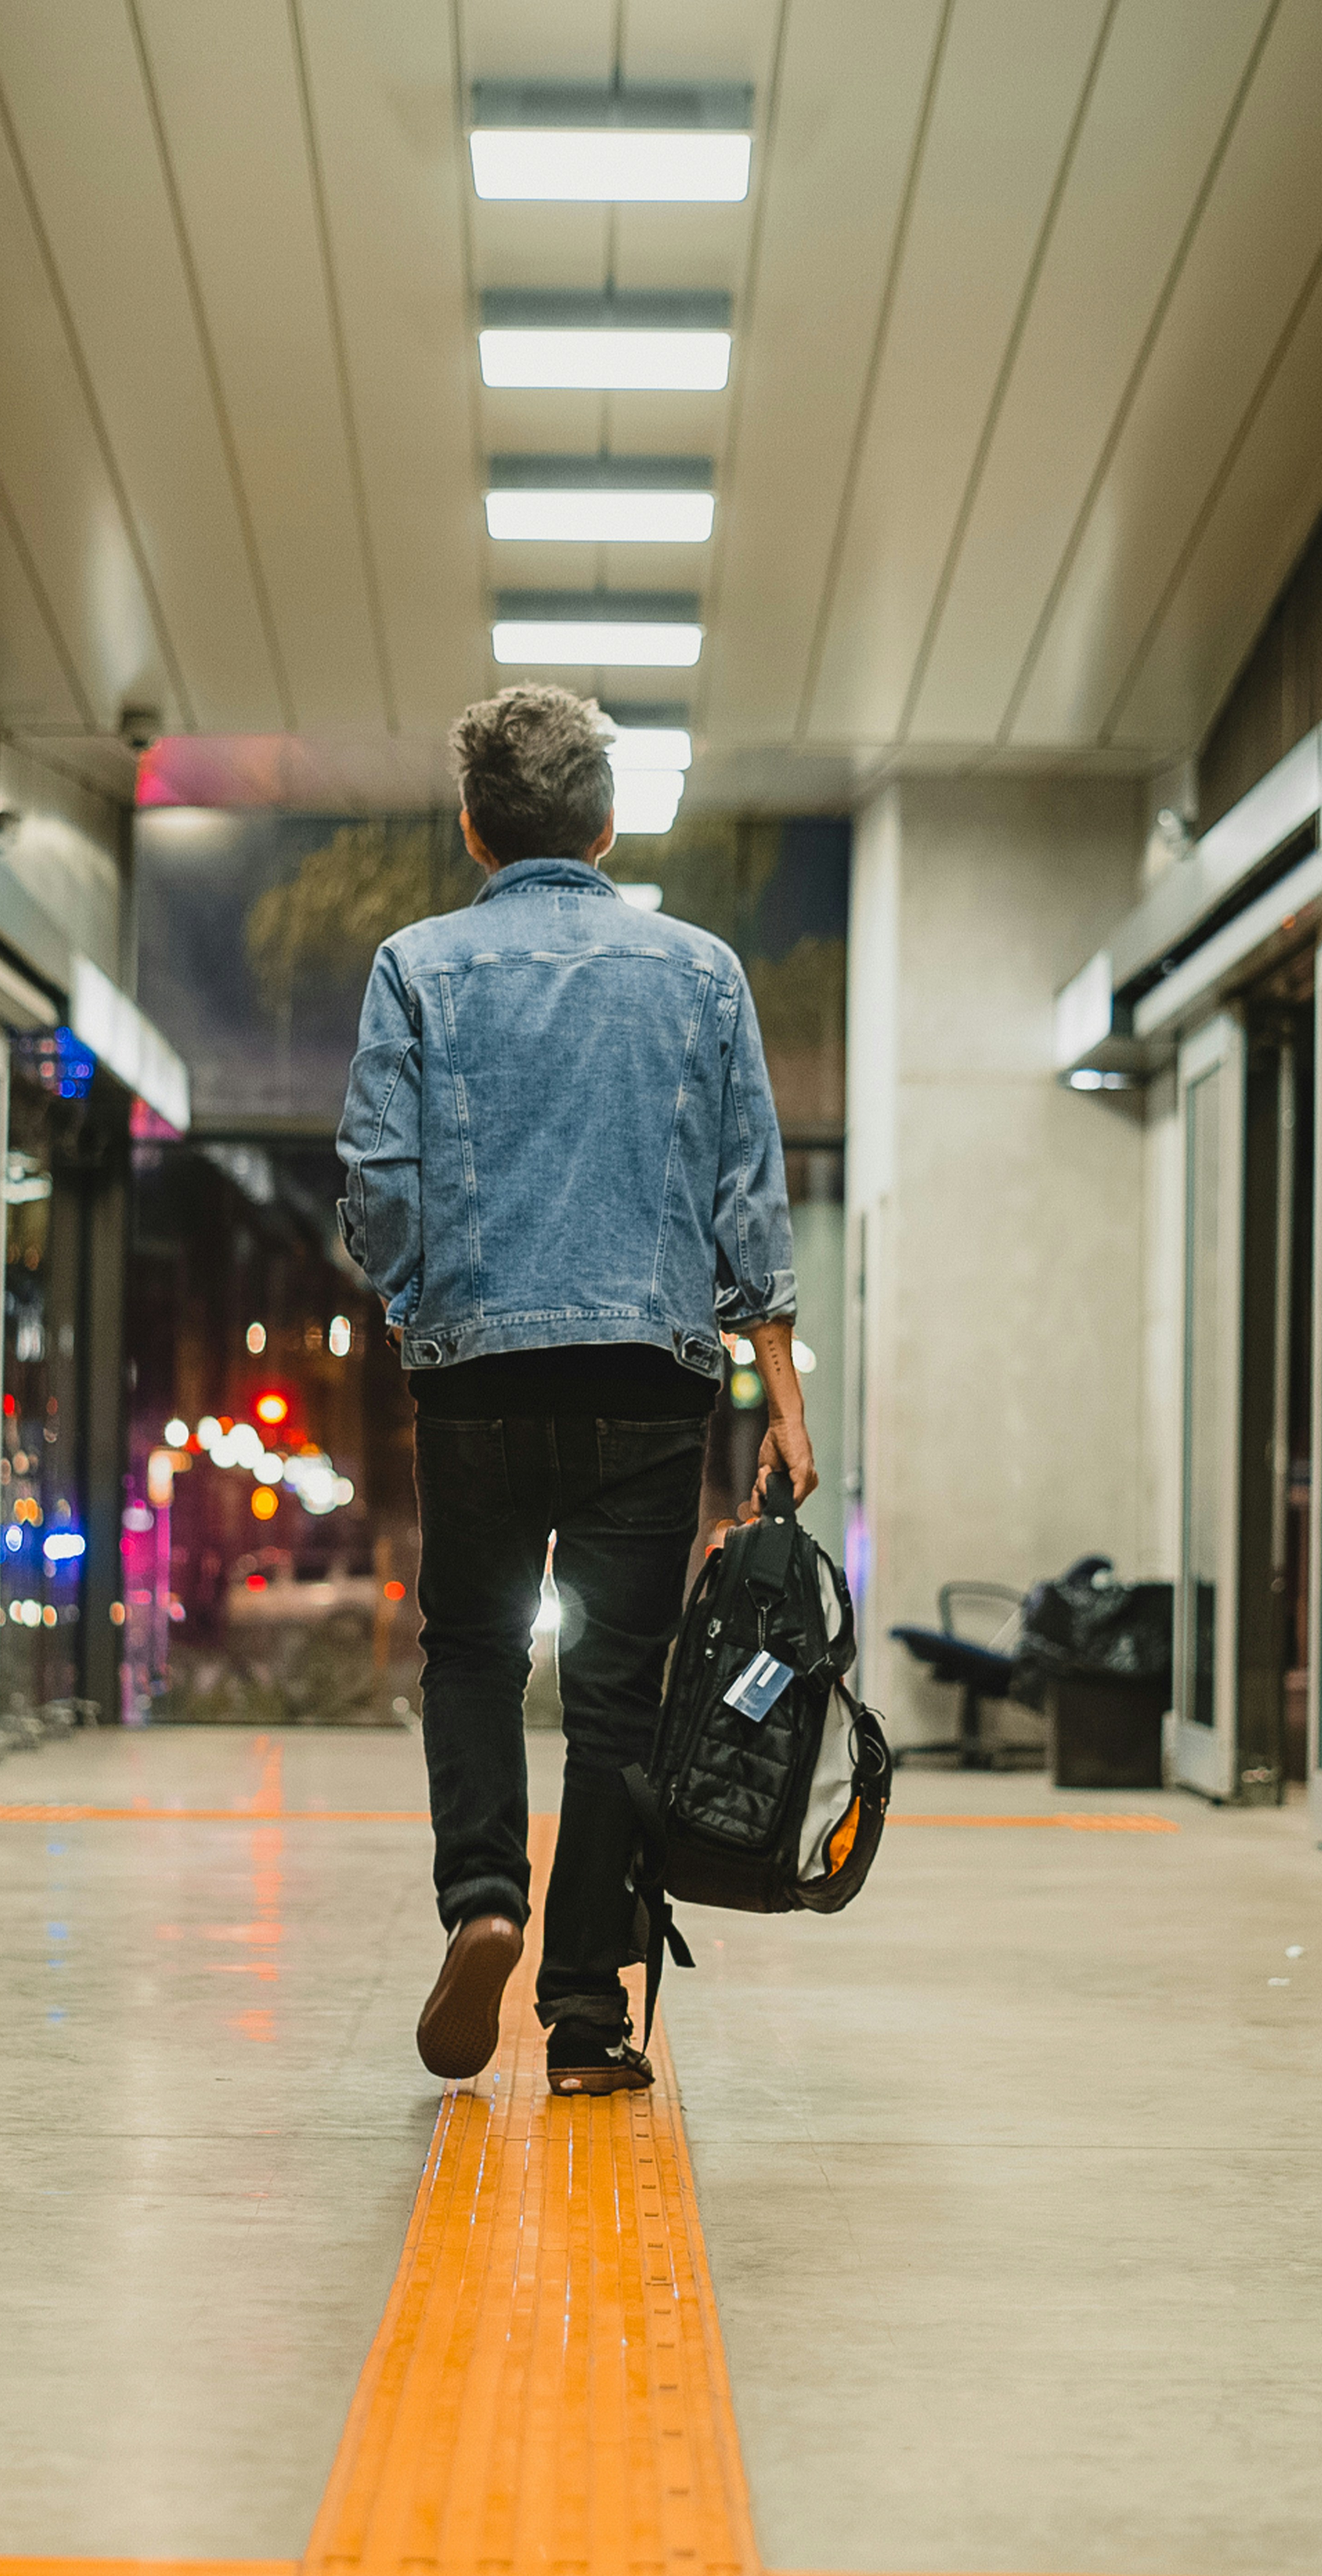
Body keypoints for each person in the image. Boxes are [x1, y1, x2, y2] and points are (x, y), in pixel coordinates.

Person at [336, 684, 815, 2097]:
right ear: (607, 826)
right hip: (649, 1385)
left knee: (475, 1651)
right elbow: (749, 1200)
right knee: (615, 1701)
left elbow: (379, 1188)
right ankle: (589, 2017)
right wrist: (779, 1390)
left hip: (478, 1375)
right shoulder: (703, 972)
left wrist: (427, 1298)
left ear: (476, 828)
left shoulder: (416, 965)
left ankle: (485, 1899)